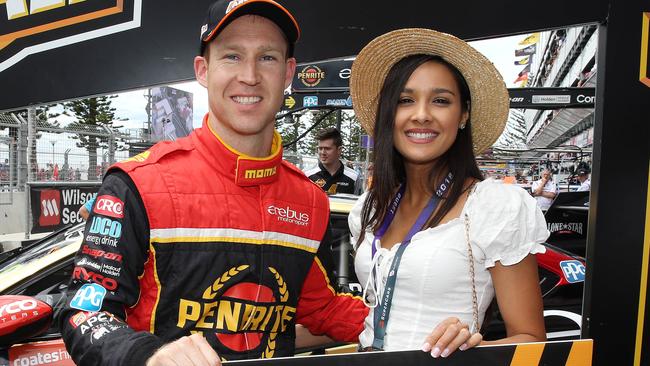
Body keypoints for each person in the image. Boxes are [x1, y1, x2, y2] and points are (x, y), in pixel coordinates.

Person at [54, 1, 367, 365]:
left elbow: (321, 307)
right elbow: (84, 309)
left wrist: (417, 321)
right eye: (232, 56)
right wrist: (150, 355)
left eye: (267, 58)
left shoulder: (309, 199)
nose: (249, 75)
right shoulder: (139, 184)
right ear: (203, 70)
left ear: (288, 73)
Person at [348, 28, 547, 356]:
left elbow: (530, 340)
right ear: (389, 114)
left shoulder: (495, 207)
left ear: (463, 114)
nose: (422, 114)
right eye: (405, 100)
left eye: (440, 100)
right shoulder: (369, 208)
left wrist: (474, 347)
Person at [305, 127, 362, 195]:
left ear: (339, 150)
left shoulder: (353, 177)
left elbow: (359, 204)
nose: (322, 152)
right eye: (320, 148)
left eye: (327, 149)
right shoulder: (307, 175)